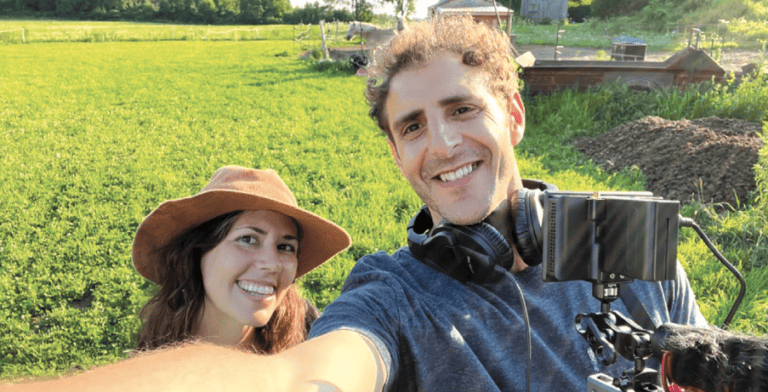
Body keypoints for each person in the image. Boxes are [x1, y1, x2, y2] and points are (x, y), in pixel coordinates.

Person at [3, 16, 710, 392]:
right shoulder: (391, 294)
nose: (441, 143)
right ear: (397, 156)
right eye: (411, 127)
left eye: (462, 109)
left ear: (515, 116)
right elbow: (305, 377)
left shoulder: (630, 241)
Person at [133, 165, 350, 353]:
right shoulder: (156, 369)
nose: (272, 263)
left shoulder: (309, 333)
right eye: (248, 239)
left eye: (285, 247)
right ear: (198, 251)